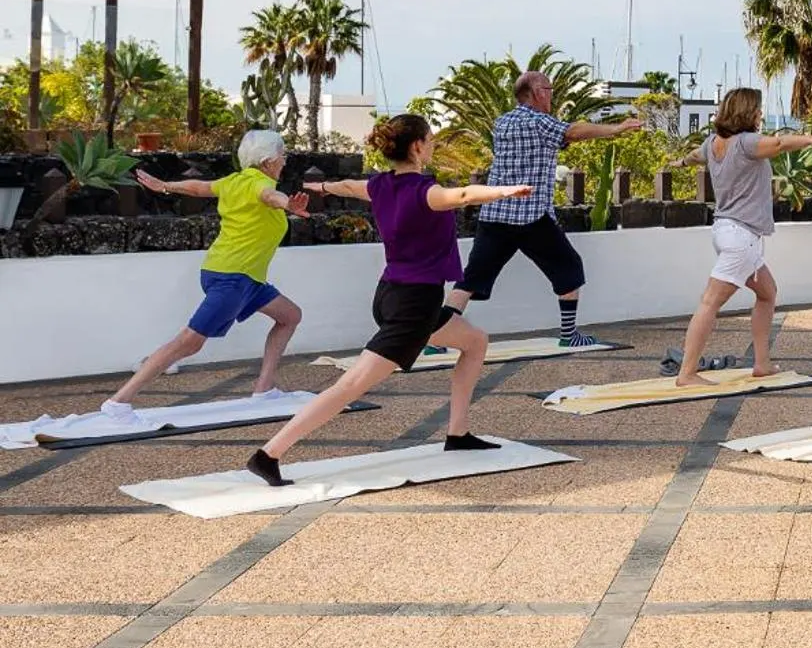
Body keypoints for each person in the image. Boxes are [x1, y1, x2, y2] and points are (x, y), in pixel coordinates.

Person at [245, 115, 533, 486]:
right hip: (412, 306)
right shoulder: (424, 192)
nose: (432, 145)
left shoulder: (380, 185)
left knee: (475, 342)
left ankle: (458, 434)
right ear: (416, 146)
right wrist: (504, 191)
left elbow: (350, 185)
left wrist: (324, 186)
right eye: (429, 139)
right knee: (349, 386)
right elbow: (461, 195)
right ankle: (268, 454)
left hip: (395, 296)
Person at [108, 130, 309, 414]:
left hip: (237, 276)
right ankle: (118, 401)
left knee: (290, 316)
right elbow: (270, 196)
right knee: (189, 343)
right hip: (234, 278)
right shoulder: (259, 184)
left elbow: (199, 188)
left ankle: (264, 388)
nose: (284, 162)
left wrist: (166, 185)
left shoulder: (233, 181)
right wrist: (288, 203)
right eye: (282, 156)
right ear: (268, 161)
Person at [450, 69, 645, 349]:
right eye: (549, 90)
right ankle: (569, 335)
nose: (552, 95)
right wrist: (616, 128)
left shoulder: (502, 122)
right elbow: (573, 132)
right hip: (530, 215)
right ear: (538, 92)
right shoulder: (540, 122)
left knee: (471, 278)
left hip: (495, 214)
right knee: (569, 267)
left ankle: (436, 336)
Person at [672, 88, 812, 389]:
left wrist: (681, 163)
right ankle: (686, 373)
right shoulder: (746, 143)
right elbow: (778, 143)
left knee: (768, 293)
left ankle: (761, 364)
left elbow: (696, 156)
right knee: (710, 303)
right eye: (758, 110)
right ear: (747, 112)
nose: (761, 114)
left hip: (726, 231)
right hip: (741, 238)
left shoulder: (713, 143)